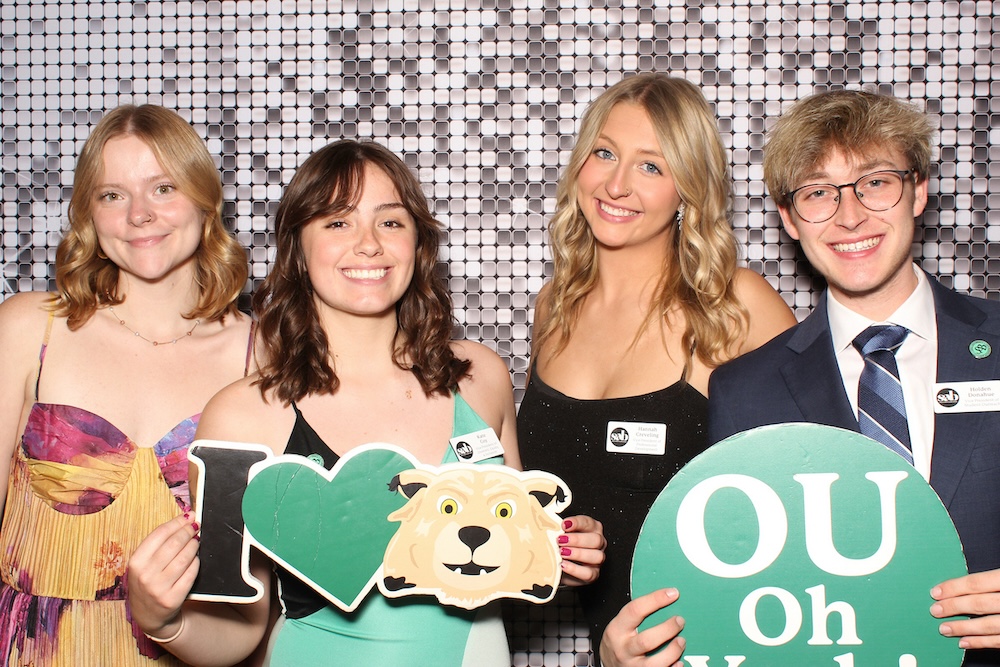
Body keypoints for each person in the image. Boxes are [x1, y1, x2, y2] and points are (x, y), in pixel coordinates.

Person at [125, 139, 605, 666]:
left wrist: (563, 556)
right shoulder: (241, 418)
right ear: (298, 250)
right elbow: (234, 634)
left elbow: (513, 564)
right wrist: (163, 619)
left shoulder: (479, 379)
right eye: (337, 222)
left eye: (391, 222)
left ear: (418, 244)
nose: (369, 244)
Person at [608, 90, 1000, 667]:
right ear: (789, 219)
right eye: (819, 193)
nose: (849, 216)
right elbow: (736, 594)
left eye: (876, 182)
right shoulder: (745, 391)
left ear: (917, 191)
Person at [516, 72, 796, 660]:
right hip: (612, 651)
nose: (617, 184)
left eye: (651, 166)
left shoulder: (734, 305)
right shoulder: (554, 305)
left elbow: (828, 485)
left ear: (687, 190)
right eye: (604, 154)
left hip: (722, 646)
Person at [0, 104, 253, 665]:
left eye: (164, 188)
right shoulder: (27, 329)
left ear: (204, 200)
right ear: (89, 214)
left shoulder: (262, 359)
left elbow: (252, 610)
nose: (140, 214)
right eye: (113, 194)